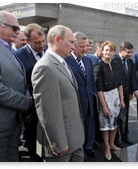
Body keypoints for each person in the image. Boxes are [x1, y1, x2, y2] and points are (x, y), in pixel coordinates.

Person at [31, 25, 85, 162]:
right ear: (57, 39)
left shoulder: (63, 63)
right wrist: (58, 143)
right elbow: (47, 112)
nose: (73, 47)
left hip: (75, 140)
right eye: (71, 42)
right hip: (62, 147)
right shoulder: (45, 67)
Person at [0, 10, 33, 162]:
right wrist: (25, 102)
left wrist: (26, 97)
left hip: (13, 122)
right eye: (14, 28)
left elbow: (19, 78)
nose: (18, 32)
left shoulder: (6, 47)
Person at [15, 23, 46, 162]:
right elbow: (20, 85)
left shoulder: (48, 51)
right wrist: (26, 111)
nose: (42, 45)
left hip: (49, 105)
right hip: (31, 108)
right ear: (27, 41)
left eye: (43, 41)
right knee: (33, 138)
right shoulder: (18, 56)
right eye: (37, 43)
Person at [65, 32, 97, 161]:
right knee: (77, 131)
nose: (86, 49)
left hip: (89, 101)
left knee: (89, 127)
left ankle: (88, 147)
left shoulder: (88, 60)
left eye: (87, 46)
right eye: (82, 47)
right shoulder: (66, 61)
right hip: (75, 104)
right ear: (73, 46)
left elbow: (90, 81)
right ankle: (78, 153)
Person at [95, 41, 125, 161]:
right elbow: (99, 89)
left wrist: (122, 99)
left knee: (115, 123)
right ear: (102, 51)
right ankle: (107, 147)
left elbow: (120, 83)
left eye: (111, 50)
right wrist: (104, 106)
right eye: (106, 50)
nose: (108, 52)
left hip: (116, 97)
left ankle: (112, 143)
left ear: (114, 52)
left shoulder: (116, 64)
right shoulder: (99, 66)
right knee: (106, 125)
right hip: (105, 98)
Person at [113, 41, 134, 146]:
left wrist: (130, 92)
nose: (130, 55)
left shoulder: (130, 61)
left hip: (126, 94)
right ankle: (116, 140)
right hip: (115, 95)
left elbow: (130, 78)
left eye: (132, 52)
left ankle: (125, 136)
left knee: (125, 116)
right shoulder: (114, 60)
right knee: (117, 117)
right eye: (128, 52)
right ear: (121, 51)